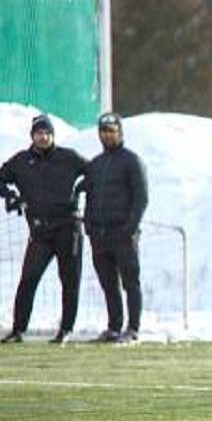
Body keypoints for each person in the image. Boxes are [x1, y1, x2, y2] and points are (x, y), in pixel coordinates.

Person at [0, 113, 88, 344]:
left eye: (47, 133)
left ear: (53, 135)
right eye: (38, 133)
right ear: (32, 136)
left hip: (67, 227)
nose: (43, 137)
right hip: (40, 231)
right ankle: (18, 330)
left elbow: (93, 173)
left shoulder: (68, 157)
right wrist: (10, 195)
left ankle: (66, 330)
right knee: (29, 279)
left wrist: (82, 186)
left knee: (70, 280)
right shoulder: (21, 161)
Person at [81, 112, 148, 344]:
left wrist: (129, 228)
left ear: (120, 133)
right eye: (104, 131)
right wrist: (88, 226)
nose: (107, 135)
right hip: (99, 236)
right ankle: (113, 327)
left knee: (131, 282)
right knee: (108, 284)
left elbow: (141, 199)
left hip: (122, 234)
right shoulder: (96, 164)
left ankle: (133, 328)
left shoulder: (132, 161)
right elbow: (89, 197)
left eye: (111, 131)